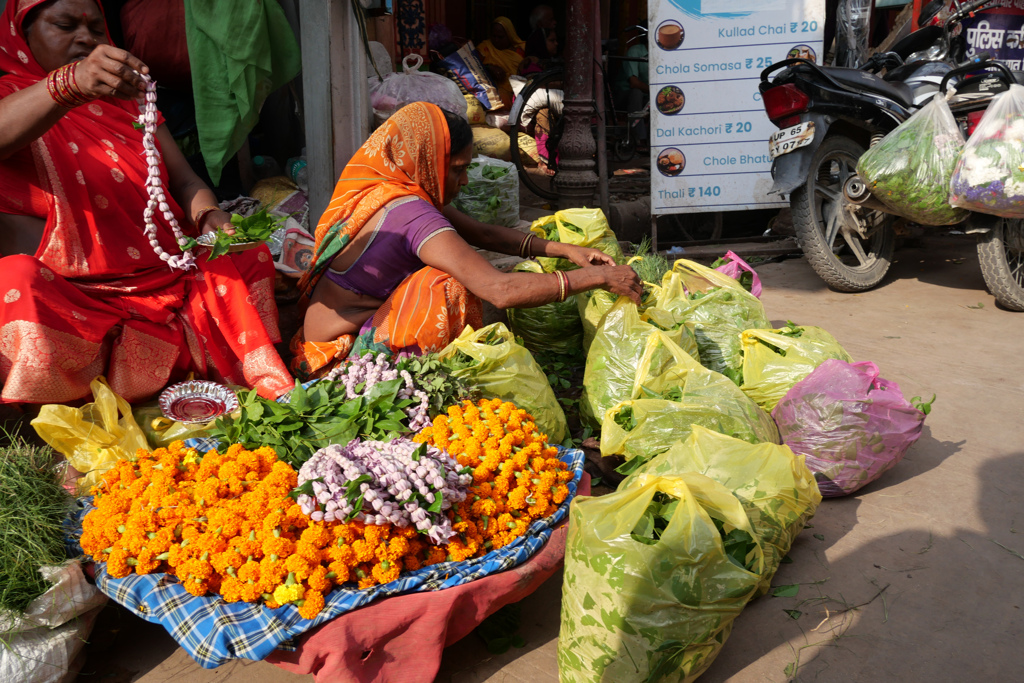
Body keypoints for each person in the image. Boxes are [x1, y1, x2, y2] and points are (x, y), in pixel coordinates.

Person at [0, 0, 294, 405]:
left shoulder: (128, 101)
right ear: (20, 34)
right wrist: (70, 84)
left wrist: (209, 215)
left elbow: (187, 181)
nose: (84, 38)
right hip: (75, 297)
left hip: (165, 277)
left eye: (96, 29)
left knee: (247, 257)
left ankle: (174, 380)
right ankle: (67, 399)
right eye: (65, 25)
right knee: (13, 282)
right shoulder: (9, 96)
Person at [291, 102, 642, 380]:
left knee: (450, 271)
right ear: (426, 158)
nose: (465, 181)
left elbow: (482, 232)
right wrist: (599, 278)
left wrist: (563, 249)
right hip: (338, 358)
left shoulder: (391, 190)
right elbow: (499, 290)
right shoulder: (413, 213)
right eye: (457, 168)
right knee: (448, 284)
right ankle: (408, 382)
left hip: (321, 337)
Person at [613, 24, 649, 152]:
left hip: (646, 96)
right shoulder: (635, 51)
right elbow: (634, 82)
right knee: (636, 92)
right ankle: (639, 139)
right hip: (625, 95)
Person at [476, 17, 525, 107]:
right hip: (497, 92)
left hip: (519, 93)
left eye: (500, 37)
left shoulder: (521, 50)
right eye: (493, 36)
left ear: (510, 35)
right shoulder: (485, 48)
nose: (496, 40)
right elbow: (474, 67)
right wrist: (489, 68)